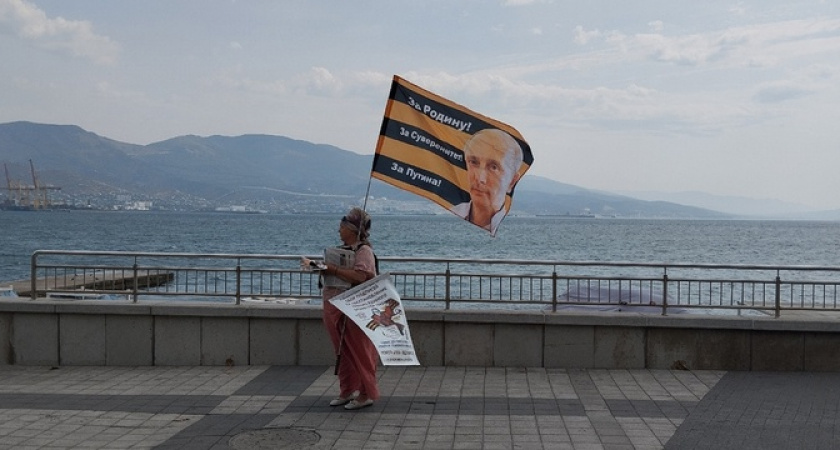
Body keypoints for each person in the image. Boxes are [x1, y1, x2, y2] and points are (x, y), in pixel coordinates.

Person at [304, 207, 379, 410]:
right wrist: (317, 266)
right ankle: (347, 389)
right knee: (342, 350)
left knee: (360, 350)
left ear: (352, 230)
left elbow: (361, 276)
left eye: (342, 227)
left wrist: (333, 269)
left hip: (354, 307)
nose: (339, 230)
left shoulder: (363, 251)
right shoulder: (342, 250)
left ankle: (365, 393)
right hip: (335, 306)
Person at [450, 128, 524, 235]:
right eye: (474, 162)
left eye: (493, 167)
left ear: (512, 181)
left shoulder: (512, 228)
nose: (480, 178)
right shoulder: (452, 215)